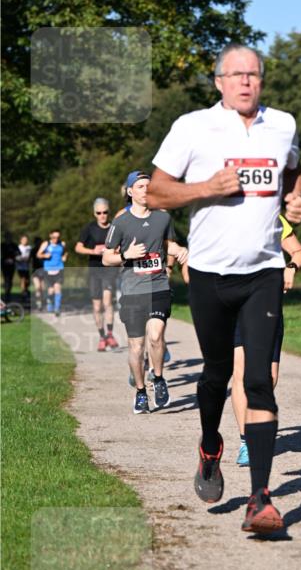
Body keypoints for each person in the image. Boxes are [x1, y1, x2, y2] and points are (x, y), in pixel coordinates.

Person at [148, 42, 301, 535]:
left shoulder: (282, 125)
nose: (245, 82)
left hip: (263, 272)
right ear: (218, 82)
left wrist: (295, 201)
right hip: (210, 276)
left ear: (262, 80)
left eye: (253, 75)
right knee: (216, 374)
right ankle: (210, 445)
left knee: (257, 379)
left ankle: (260, 498)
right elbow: (155, 191)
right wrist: (206, 189)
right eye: (235, 74)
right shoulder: (192, 127)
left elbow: (294, 171)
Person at [103, 171, 188, 414]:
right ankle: (140, 392)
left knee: (156, 335)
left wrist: (179, 249)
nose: (145, 190)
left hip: (158, 285)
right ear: (130, 191)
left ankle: (159, 379)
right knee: (136, 347)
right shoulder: (120, 223)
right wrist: (125, 256)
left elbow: (166, 245)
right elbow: (106, 257)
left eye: (148, 186)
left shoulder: (163, 218)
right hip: (132, 290)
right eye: (140, 186)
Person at [232, 216, 301, 466]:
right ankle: (246, 441)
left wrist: (291, 267)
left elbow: (299, 252)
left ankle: (255, 422)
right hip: (235, 303)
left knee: (268, 378)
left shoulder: (273, 217)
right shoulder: (224, 213)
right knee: (242, 374)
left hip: (268, 304)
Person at [75, 198, 119, 351]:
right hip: (94, 269)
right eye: (99, 213)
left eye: (105, 212)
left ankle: (110, 334)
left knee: (107, 302)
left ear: (109, 212)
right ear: (94, 213)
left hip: (109, 269)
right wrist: (92, 251)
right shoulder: (89, 229)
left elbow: (122, 245)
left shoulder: (114, 227)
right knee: (97, 305)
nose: (102, 215)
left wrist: (114, 251)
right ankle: (102, 336)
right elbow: (78, 247)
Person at [37, 230, 68, 316]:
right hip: (48, 269)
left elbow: (66, 252)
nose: (56, 239)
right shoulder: (46, 244)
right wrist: (44, 256)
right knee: (51, 290)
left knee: (58, 288)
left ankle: (57, 309)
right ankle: (49, 301)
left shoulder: (62, 244)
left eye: (58, 237)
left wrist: (64, 257)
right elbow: (38, 254)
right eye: (54, 237)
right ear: (50, 236)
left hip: (59, 268)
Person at [15, 235, 33, 302]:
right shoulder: (18, 247)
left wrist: (28, 259)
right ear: (21, 240)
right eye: (23, 239)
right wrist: (21, 259)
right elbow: (15, 257)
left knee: (27, 281)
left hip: (27, 267)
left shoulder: (29, 247)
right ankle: (23, 294)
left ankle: (26, 291)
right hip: (20, 267)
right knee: (23, 279)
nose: (25, 241)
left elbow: (31, 256)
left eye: (26, 239)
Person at [1, 232, 18, 301]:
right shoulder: (2, 245)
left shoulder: (14, 245)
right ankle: (6, 293)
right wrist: (5, 260)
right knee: (6, 279)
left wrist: (13, 257)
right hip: (4, 264)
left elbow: (18, 253)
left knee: (10, 280)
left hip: (12, 264)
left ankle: (8, 293)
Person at [31, 236, 46, 310]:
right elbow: (29, 259)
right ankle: (38, 303)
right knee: (37, 287)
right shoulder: (33, 250)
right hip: (35, 271)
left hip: (43, 270)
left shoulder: (44, 250)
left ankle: (42, 302)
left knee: (43, 288)